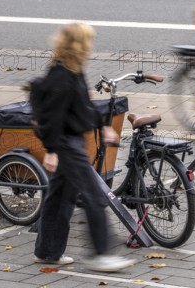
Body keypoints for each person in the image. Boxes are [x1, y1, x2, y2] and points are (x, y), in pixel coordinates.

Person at [32, 23, 135, 272]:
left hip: (72, 141)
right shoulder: (61, 77)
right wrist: (52, 150)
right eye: (88, 40)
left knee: (59, 198)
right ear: (79, 44)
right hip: (66, 145)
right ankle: (101, 254)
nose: (91, 45)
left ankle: (48, 252)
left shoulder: (73, 70)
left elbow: (83, 107)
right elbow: (51, 118)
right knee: (94, 196)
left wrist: (102, 127)